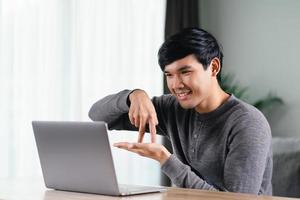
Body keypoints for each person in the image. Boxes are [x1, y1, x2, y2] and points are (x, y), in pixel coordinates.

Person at [88, 28, 273, 195]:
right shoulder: (172, 108)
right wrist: (133, 96)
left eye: (185, 72)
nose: (176, 85)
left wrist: (165, 159)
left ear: (214, 67)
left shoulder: (248, 123)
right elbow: (98, 116)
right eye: (169, 75)